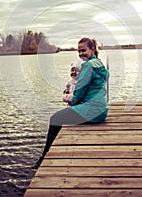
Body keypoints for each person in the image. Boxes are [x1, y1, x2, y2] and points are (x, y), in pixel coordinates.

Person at [33, 37, 109, 168]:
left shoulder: (88, 66)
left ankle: (44, 157)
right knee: (62, 117)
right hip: (101, 109)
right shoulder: (99, 64)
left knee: (55, 119)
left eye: (83, 50)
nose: (81, 54)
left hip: (92, 111)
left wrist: (73, 104)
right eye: (78, 51)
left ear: (92, 49)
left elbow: (80, 89)